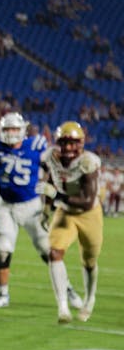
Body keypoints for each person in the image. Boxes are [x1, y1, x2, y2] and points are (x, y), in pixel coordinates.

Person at [0, 112, 84, 310]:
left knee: (48, 252)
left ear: (23, 130)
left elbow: (54, 168)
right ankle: (3, 294)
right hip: (5, 205)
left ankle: (68, 289)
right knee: (1, 251)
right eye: (7, 129)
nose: (11, 133)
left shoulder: (36, 147)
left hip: (32, 206)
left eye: (15, 129)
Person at [39, 121, 103, 323]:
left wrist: (57, 195)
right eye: (64, 143)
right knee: (54, 252)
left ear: (81, 143)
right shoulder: (50, 157)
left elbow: (86, 200)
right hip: (64, 212)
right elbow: (52, 179)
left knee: (90, 260)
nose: (67, 148)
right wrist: (46, 208)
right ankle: (63, 308)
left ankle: (89, 299)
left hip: (88, 214)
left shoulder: (88, 162)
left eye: (72, 143)